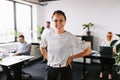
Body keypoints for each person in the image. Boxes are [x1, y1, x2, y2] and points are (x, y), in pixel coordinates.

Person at [40, 10, 92, 80]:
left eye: (61, 20)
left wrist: (72, 57)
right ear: (52, 21)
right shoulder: (47, 35)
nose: (58, 23)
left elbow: (88, 50)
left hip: (64, 69)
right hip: (50, 69)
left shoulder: (70, 37)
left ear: (65, 21)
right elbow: (42, 47)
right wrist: (48, 58)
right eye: (55, 20)